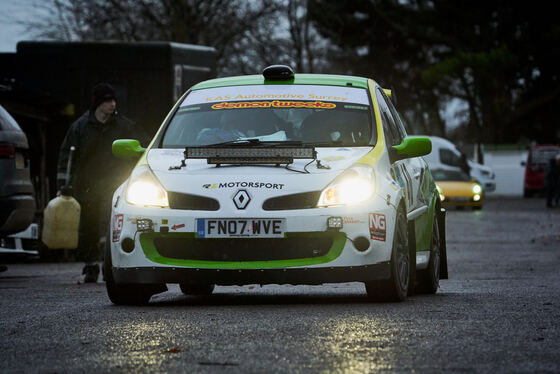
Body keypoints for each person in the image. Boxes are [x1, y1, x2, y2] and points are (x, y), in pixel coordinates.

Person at [57, 83, 145, 282]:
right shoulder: (80, 127)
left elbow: (142, 148)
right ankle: (90, 266)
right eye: (107, 101)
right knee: (88, 226)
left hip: (115, 184)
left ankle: (109, 266)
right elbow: (67, 158)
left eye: (113, 100)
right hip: (87, 185)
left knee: (111, 225)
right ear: (98, 103)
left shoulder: (125, 126)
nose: (112, 104)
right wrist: (63, 186)